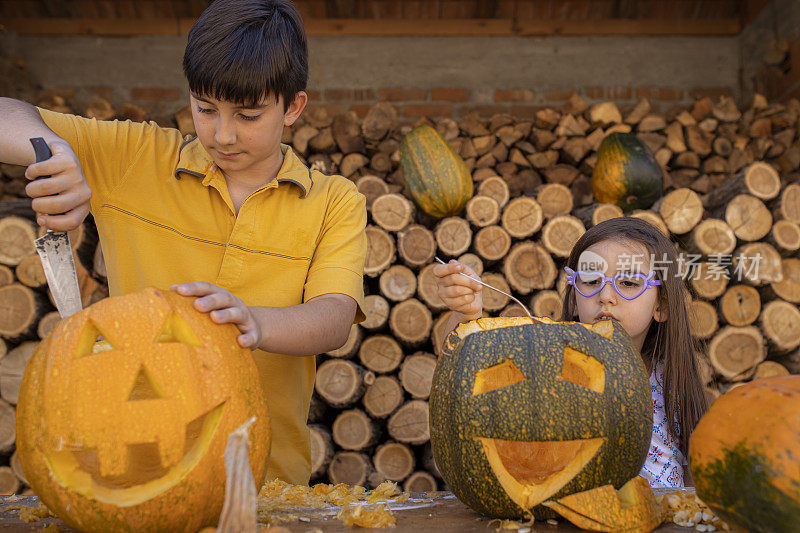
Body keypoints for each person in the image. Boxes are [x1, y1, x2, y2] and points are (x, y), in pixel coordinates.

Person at [0, 0, 367, 486]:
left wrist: (256, 321)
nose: (223, 134)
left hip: (274, 486)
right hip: (139, 475)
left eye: (249, 115)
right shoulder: (136, 158)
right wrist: (53, 151)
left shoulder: (334, 201)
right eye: (205, 109)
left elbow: (335, 318)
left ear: (293, 106)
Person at [433, 217, 708, 488]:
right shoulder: (548, 369)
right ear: (574, 298)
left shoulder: (672, 384)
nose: (606, 295)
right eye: (590, 281)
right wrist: (465, 313)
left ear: (661, 305)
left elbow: (696, 480)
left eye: (629, 283)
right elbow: (460, 389)